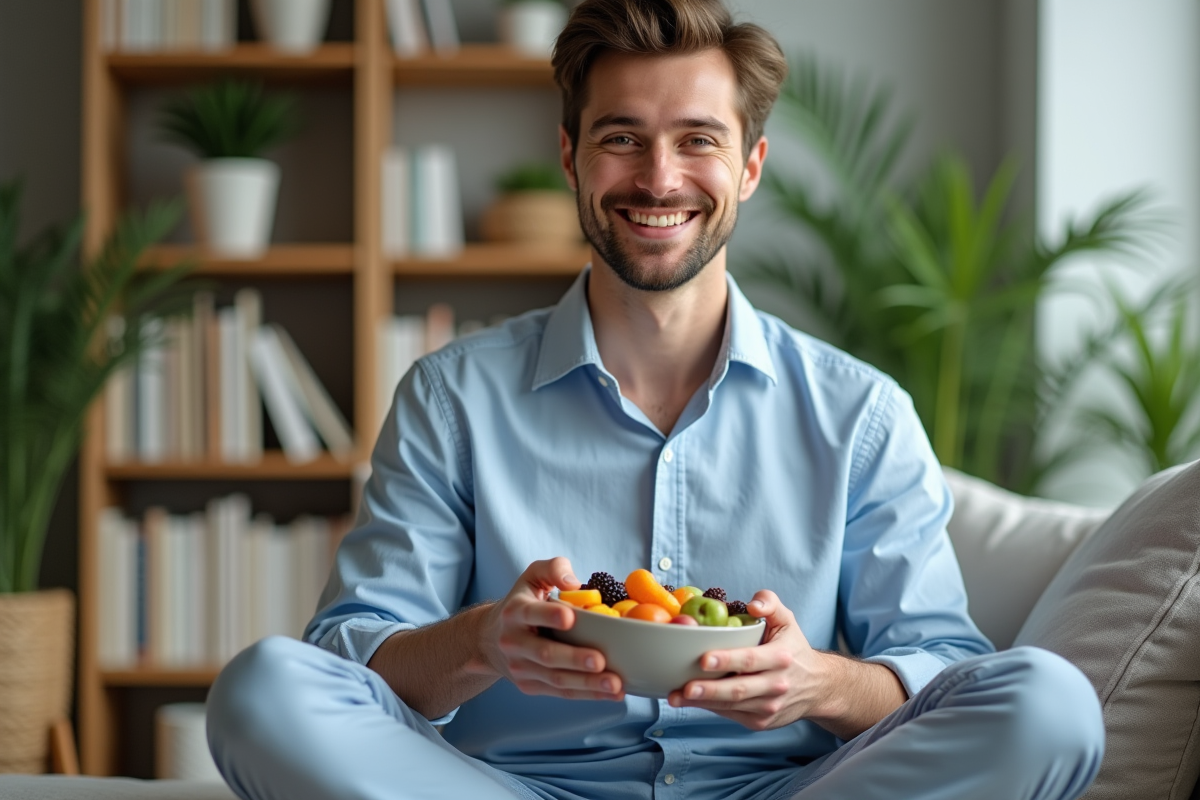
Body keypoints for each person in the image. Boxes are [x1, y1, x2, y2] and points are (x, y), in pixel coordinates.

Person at [206, 1, 1104, 798]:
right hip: (512, 788)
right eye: (621, 137)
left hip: (787, 790)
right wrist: (484, 643)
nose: (659, 178)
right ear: (571, 156)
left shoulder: (859, 413)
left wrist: (818, 683)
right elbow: (349, 657)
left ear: (749, 166)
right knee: (261, 691)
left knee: (1052, 707)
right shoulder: (453, 398)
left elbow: (944, 670)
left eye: (698, 140)